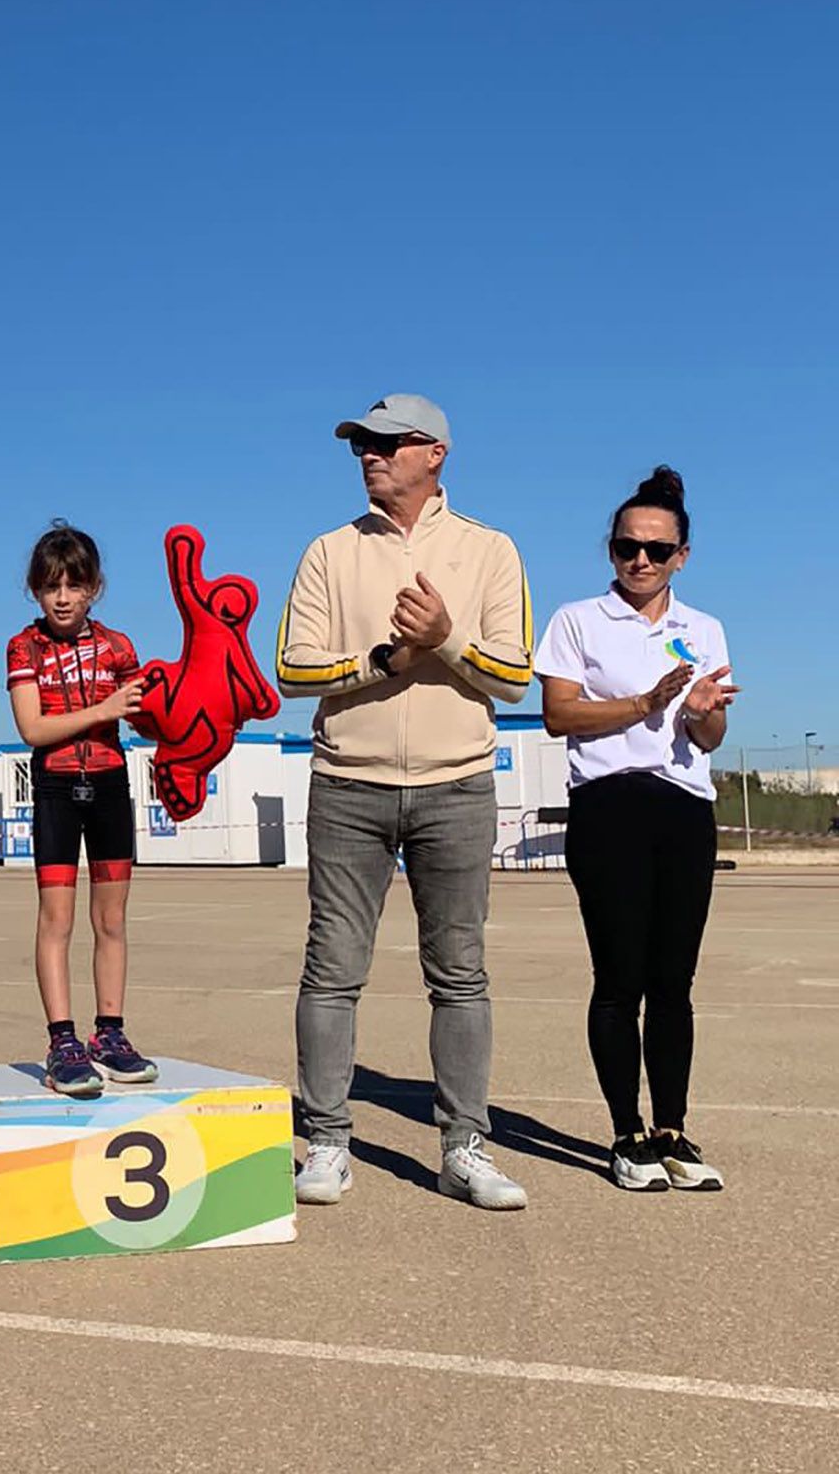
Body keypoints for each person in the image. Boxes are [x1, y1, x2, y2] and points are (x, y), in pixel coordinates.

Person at [275, 393, 533, 1211]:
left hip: (456, 785)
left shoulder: (491, 550)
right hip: (347, 783)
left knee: (459, 973)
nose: (368, 455)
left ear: (435, 453)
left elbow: (515, 675)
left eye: (386, 443)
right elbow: (292, 667)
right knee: (332, 968)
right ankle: (325, 1140)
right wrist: (390, 656)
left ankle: (464, 1146)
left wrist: (447, 640)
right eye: (360, 444)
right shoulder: (328, 550)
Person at [537, 466, 736, 1192]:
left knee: (674, 982)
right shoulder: (578, 620)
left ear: (683, 554)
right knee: (620, 979)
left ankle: (673, 1129)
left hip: (684, 807)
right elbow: (560, 714)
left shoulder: (703, 627)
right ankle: (626, 1135)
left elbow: (710, 736)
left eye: (657, 549)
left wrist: (700, 708)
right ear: (611, 550)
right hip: (610, 805)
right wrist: (643, 702)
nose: (641, 561)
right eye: (627, 548)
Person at [5, 522, 158, 1097]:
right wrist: (108, 707)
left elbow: (144, 714)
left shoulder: (119, 646)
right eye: (51, 587)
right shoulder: (24, 647)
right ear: (35, 592)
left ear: (96, 587)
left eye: (74, 585)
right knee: (57, 920)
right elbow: (33, 728)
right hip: (56, 791)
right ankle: (63, 1041)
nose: (63, 598)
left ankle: (110, 1034)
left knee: (112, 920)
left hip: (112, 786)